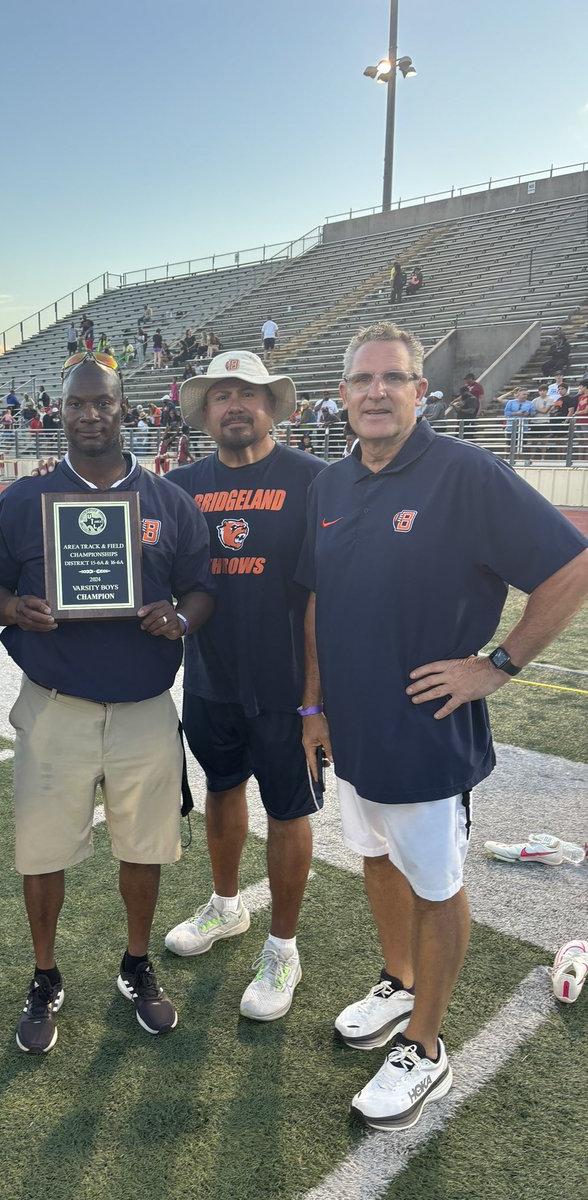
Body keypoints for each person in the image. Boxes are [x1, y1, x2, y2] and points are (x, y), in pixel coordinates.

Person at [297, 321, 588, 1132]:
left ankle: (425, 1047)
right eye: (362, 380)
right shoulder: (331, 485)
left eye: (394, 379)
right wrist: (314, 708)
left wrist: (498, 664)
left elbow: (573, 566)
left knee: (435, 882)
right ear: (344, 395)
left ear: (422, 392)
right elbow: (318, 602)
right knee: (377, 860)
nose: (377, 392)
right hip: (352, 731)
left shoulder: (465, 473)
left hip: (428, 733)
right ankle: (399, 984)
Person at [0, 350, 214, 1053]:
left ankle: (136, 964)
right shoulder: (25, 499)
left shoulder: (167, 501)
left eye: (100, 402)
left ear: (124, 409)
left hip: (144, 706)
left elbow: (201, 587)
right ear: (61, 412)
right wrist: (15, 608)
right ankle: (45, 974)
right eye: (75, 404)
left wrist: (182, 619)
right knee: (42, 852)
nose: (87, 415)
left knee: (143, 848)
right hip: (56, 705)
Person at [163, 350, 325, 1019]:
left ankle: (282, 947)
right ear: (205, 413)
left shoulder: (315, 480)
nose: (236, 405)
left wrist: (318, 701)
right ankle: (227, 906)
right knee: (221, 790)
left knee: (290, 812)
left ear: (272, 406)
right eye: (222, 395)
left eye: (249, 394)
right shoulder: (179, 485)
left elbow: (324, 597)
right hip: (209, 679)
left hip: (288, 689)